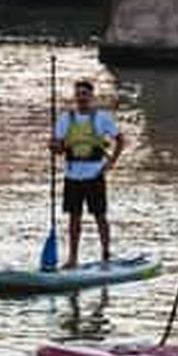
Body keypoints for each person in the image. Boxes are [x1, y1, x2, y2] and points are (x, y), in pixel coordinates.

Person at [51, 78, 124, 268]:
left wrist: (111, 164)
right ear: (75, 97)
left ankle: (106, 254)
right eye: (79, 94)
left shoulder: (103, 117)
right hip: (72, 175)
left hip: (95, 175)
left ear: (91, 96)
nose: (82, 98)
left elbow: (120, 140)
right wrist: (54, 146)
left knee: (100, 216)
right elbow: (57, 148)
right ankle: (73, 258)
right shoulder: (65, 119)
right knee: (74, 218)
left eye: (85, 94)